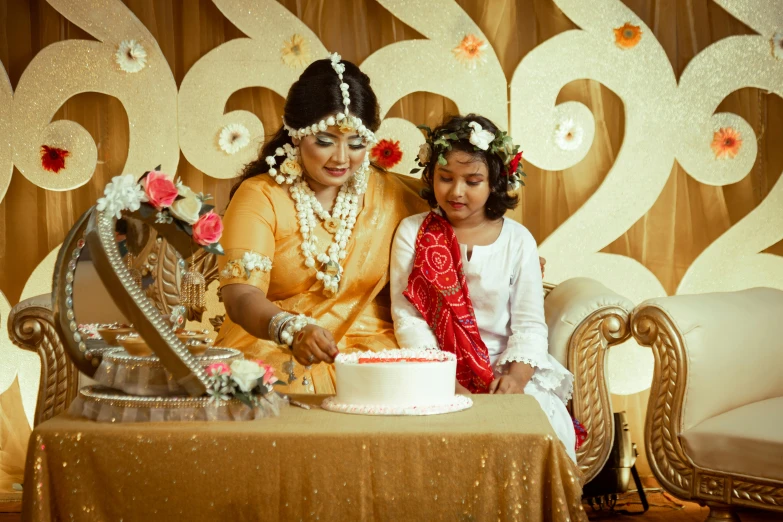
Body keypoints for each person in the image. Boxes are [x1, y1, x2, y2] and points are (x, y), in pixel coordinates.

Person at [215, 53, 427, 394]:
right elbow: (240, 295)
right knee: (272, 383)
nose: (342, 158)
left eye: (357, 144)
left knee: (409, 382)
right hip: (276, 342)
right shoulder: (261, 196)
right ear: (296, 135)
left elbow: (465, 218)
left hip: (373, 348)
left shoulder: (393, 195)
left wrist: (507, 256)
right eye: (325, 141)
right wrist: (291, 329)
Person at [389, 114, 576, 461]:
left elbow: (530, 325)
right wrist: (448, 383)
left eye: (472, 180)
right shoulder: (413, 232)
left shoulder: (518, 241)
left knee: (537, 432)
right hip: (434, 369)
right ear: (431, 176)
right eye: (445, 178)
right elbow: (409, 319)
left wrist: (515, 380)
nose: (456, 192)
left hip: (504, 369)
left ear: (496, 182)